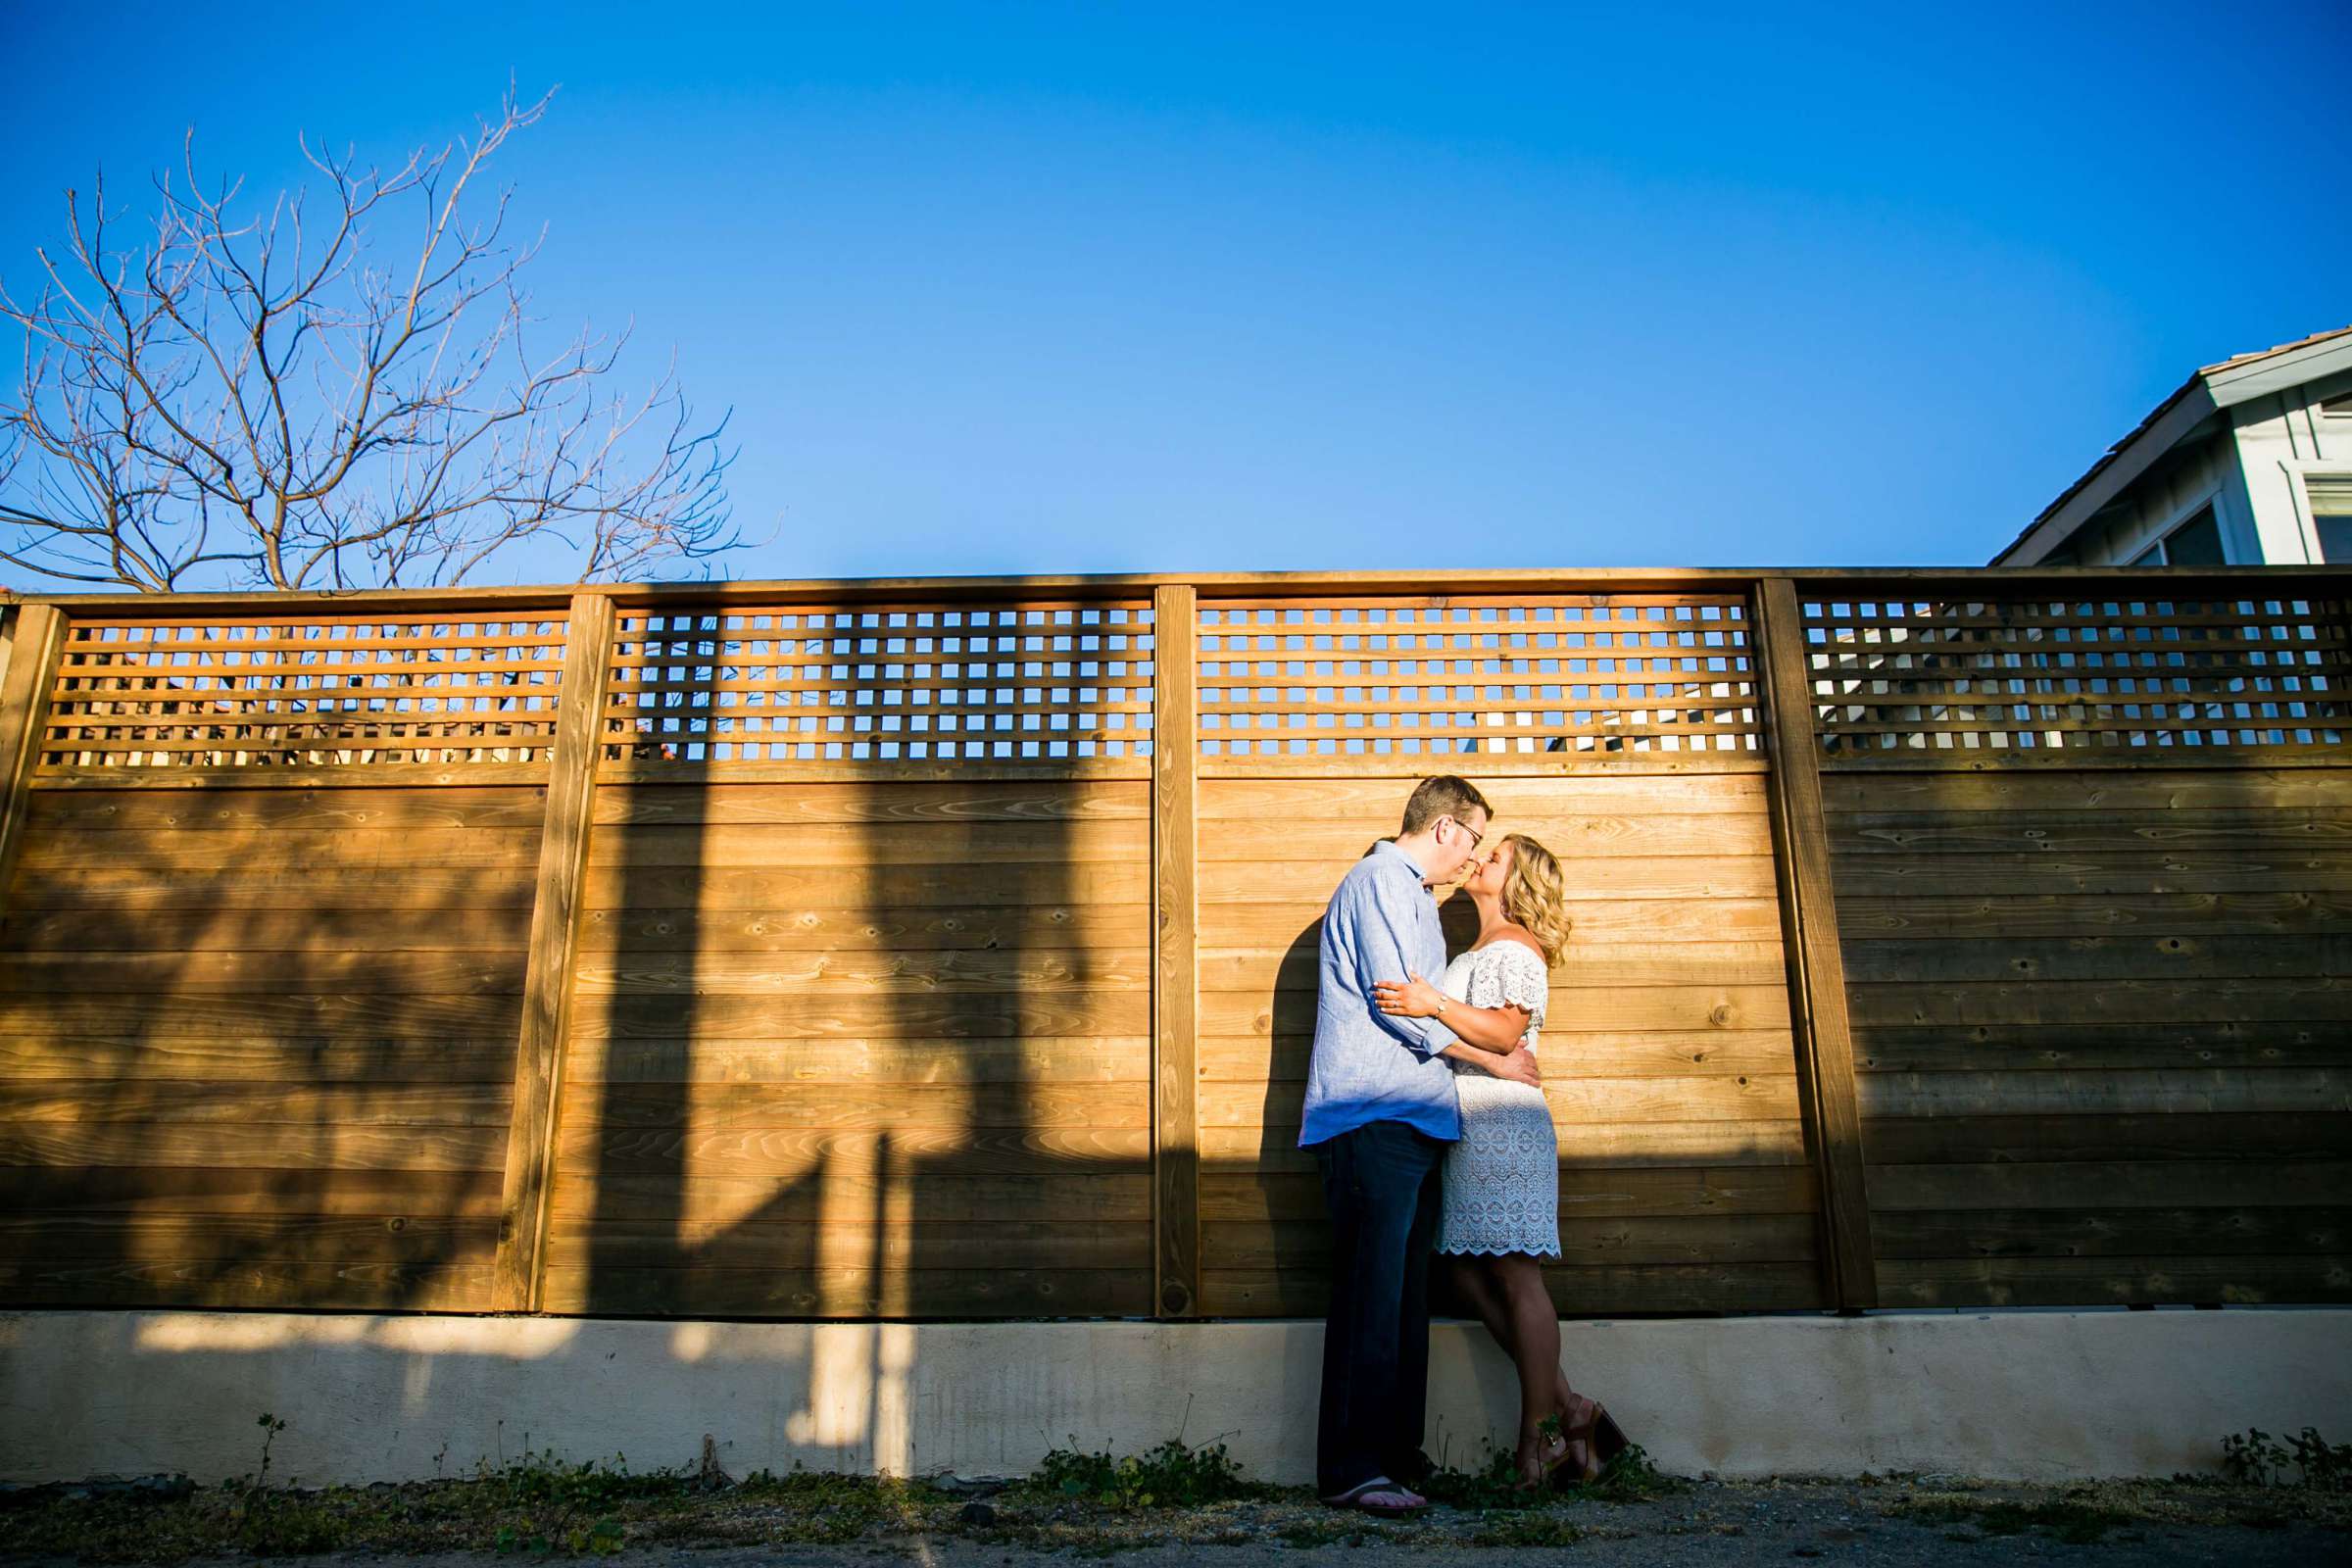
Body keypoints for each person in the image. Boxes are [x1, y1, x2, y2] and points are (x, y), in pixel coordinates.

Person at [1300, 776, 1543, 1518]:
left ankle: (1396, 1461)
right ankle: (1352, 1467)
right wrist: (1496, 1059)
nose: (1471, 860)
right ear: (1444, 829)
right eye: (1471, 841)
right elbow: (1396, 997)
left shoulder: (1412, 895)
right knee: (1372, 1296)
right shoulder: (1380, 880)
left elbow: (1421, 1001)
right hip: (1371, 1115)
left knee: (1403, 1303)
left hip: (1415, 1118)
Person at [1375, 833, 1632, 1489]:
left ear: (1514, 881)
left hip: (1505, 1127)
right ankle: (1573, 1409)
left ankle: (1536, 1441)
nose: (1479, 859)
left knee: (1518, 1278)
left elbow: (1504, 1032)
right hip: (1471, 1127)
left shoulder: (1518, 947)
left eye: (1494, 858)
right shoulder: (1478, 949)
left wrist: (1432, 1003)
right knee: (1463, 1277)